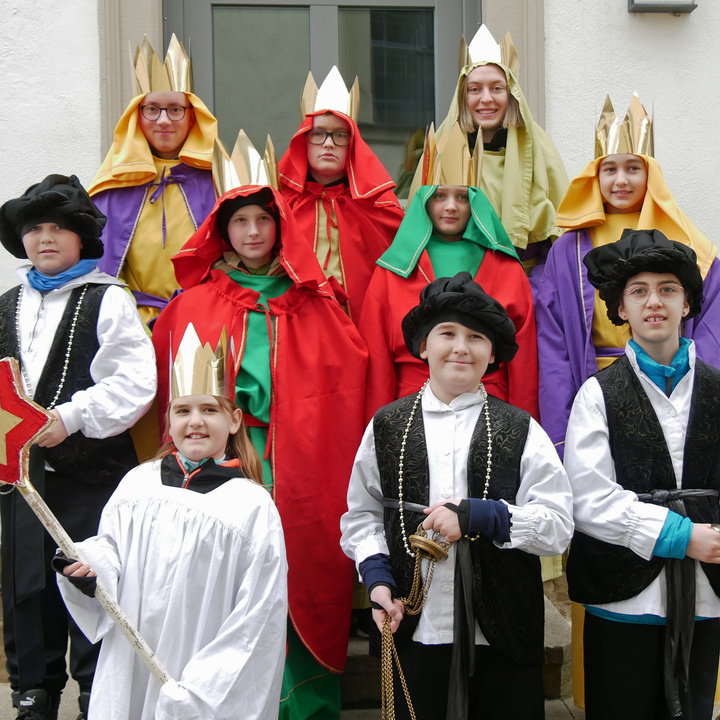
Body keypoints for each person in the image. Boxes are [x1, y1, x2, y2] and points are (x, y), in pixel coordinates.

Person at [152, 177, 368, 719]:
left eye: (264, 220)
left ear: (281, 228)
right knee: (221, 581)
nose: (253, 231)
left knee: (298, 577)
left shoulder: (318, 305)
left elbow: (342, 390)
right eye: (240, 221)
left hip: (300, 468)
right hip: (222, 469)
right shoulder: (193, 304)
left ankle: (300, 706)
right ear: (223, 231)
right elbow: (171, 401)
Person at [342, 273, 573, 720]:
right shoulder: (387, 426)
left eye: (476, 337)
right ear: (423, 346)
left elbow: (558, 528)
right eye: (447, 333)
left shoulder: (522, 429)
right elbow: (362, 515)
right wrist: (377, 580)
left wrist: (481, 516)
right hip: (414, 621)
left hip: (501, 632)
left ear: (493, 354)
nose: (461, 348)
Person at [55, 323, 287, 720]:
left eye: (209, 409)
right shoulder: (137, 483)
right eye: (183, 411)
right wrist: (88, 566)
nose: (195, 421)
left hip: (202, 675)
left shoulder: (251, 506)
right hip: (132, 660)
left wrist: (204, 689)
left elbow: (258, 616)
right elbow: (112, 549)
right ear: (168, 421)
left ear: (234, 421)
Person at [0, 174, 157, 720]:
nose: (46, 238)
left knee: (90, 577)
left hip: (88, 474)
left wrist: (70, 417)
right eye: (35, 228)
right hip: (17, 478)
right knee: (25, 584)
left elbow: (134, 381)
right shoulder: (5, 305)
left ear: (81, 240)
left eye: (59, 229)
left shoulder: (107, 298)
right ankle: (33, 693)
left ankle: (99, 694)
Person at [564, 229, 720, 720]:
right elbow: (588, 496)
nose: (655, 301)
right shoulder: (596, 394)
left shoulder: (718, 390)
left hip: (705, 594)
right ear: (621, 309)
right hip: (622, 596)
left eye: (668, 288)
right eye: (639, 291)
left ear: (688, 304)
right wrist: (681, 534)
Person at [536, 94, 720, 460]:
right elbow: (553, 343)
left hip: (671, 383)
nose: (621, 180)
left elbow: (711, 332)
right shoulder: (569, 248)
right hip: (591, 383)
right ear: (595, 176)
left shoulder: (688, 243)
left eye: (633, 168)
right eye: (610, 169)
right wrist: (559, 429)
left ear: (651, 173)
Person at [360, 179, 538, 423]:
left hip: (490, 405)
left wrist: (522, 425)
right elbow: (377, 361)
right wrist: (380, 425)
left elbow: (524, 359)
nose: (452, 206)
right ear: (423, 200)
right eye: (440, 195)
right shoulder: (393, 268)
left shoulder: (506, 266)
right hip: (411, 404)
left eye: (463, 197)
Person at [409, 24, 568, 279]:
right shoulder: (442, 146)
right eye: (475, 89)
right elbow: (417, 229)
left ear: (511, 93)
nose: (486, 99)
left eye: (497, 88)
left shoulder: (539, 148)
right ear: (463, 96)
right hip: (453, 279)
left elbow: (561, 237)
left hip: (526, 284)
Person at [89, 35, 218, 325]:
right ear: (137, 115)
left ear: (192, 117)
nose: (163, 120)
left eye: (175, 109)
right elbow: (96, 263)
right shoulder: (112, 185)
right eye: (152, 109)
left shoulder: (219, 180)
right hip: (130, 321)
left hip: (205, 317)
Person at [279, 66, 404, 321]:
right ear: (303, 139)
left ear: (353, 143)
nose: (328, 143)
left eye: (339, 135)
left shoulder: (379, 207)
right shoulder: (280, 205)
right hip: (298, 326)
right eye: (318, 134)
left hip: (361, 326)